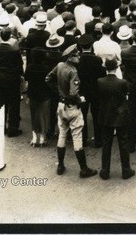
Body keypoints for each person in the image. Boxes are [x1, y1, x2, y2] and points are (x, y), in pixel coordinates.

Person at [45, 44, 98, 178]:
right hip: (72, 107)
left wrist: (58, 92)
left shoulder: (60, 65)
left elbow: (48, 79)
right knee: (77, 137)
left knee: (62, 134)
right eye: (76, 55)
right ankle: (84, 169)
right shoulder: (73, 71)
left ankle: (61, 165)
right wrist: (79, 99)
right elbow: (74, 93)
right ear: (70, 57)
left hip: (61, 105)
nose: (79, 56)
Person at [97, 57, 135, 180]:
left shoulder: (100, 81)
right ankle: (126, 170)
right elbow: (125, 96)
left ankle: (105, 170)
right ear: (116, 67)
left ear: (105, 68)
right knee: (123, 143)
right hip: (120, 115)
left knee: (106, 143)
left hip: (106, 115)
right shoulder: (122, 82)